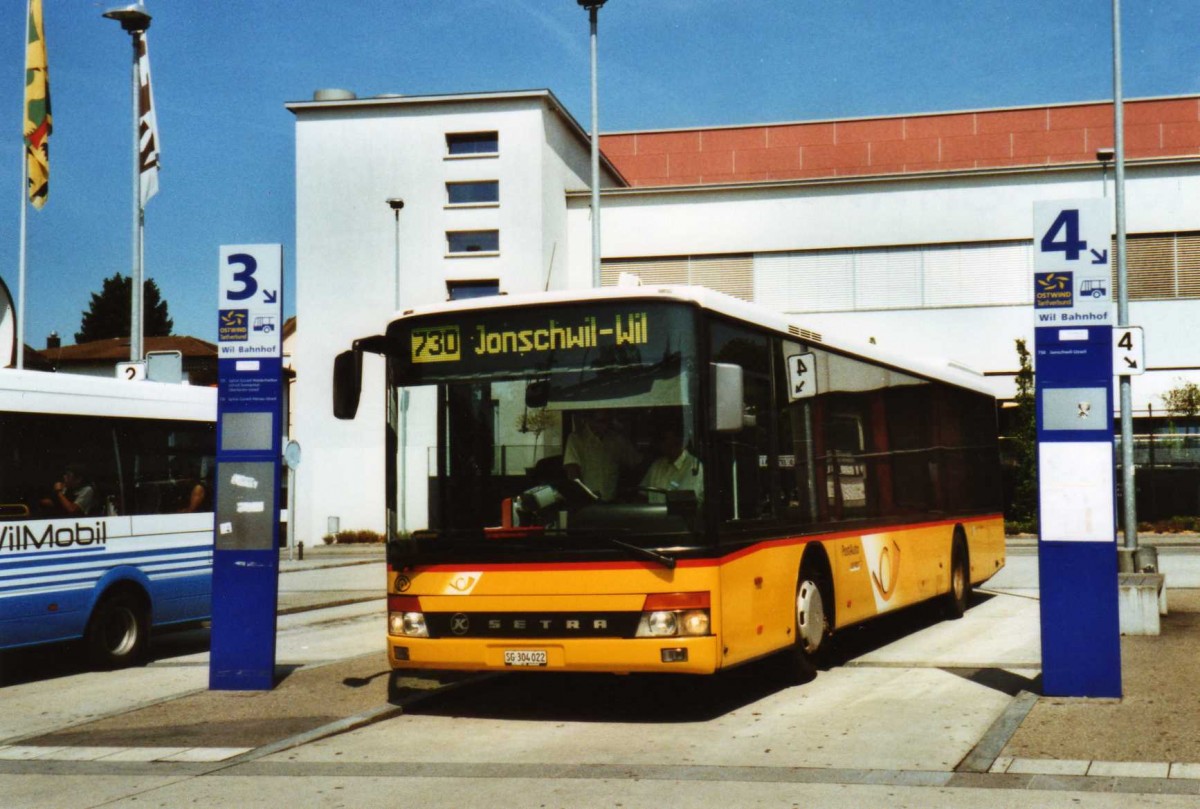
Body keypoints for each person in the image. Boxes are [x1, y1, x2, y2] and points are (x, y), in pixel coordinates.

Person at [562, 411, 640, 501]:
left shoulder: (617, 440)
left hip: (613, 502)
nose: (605, 426)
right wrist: (587, 494)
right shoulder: (575, 440)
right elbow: (573, 476)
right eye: (601, 421)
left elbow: (636, 463)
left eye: (608, 421)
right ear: (589, 420)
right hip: (585, 502)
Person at [640, 426, 703, 504]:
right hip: (653, 515)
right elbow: (642, 495)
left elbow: (685, 503)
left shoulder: (693, 466)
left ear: (679, 440)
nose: (663, 444)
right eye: (661, 440)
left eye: (665, 438)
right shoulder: (656, 465)